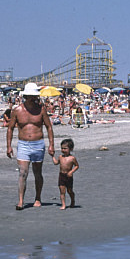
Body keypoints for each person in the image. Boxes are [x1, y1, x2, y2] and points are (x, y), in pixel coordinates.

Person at [6, 82, 55, 211]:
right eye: (32, 96)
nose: (34, 99)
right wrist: (9, 146)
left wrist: (51, 145)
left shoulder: (41, 110)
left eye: (35, 96)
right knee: (23, 172)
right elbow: (10, 128)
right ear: (26, 96)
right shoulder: (17, 110)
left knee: (37, 173)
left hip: (38, 143)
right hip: (23, 144)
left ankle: (38, 198)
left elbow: (49, 127)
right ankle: (21, 201)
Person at [52, 138, 79, 210]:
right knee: (62, 191)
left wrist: (71, 171)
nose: (63, 150)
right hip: (61, 175)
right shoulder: (60, 157)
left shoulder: (72, 158)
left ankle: (72, 200)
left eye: (65, 148)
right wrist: (52, 156)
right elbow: (56, 163)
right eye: (62, 148)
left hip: (68, 176)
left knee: (69, 190)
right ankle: (63, 204)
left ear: (70, 149)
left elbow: (77, 166)